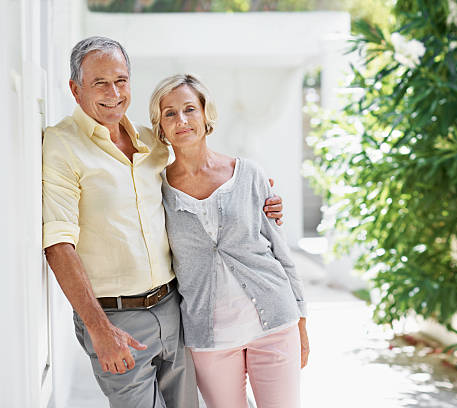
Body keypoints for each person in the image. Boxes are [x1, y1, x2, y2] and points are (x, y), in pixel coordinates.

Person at [42, 37, 283, 408]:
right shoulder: (62, 145)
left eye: (121, 80)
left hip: (174, 309)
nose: (113, 92)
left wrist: (260, 201)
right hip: (115, 319)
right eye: (99, 83)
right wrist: (99, 328)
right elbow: (58, 244)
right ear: (75, 89)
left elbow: (198, 178)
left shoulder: (150, 143)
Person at [151, 74, 309, 408]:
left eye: (190, 109)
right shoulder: (156, 191)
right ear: (160, 125)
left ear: (206, 114)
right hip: (210, 339)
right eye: (170, 113)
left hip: (275, 325)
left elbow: (281, 252)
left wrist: (302, 320)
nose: (181, 120)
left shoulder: (248, 174)